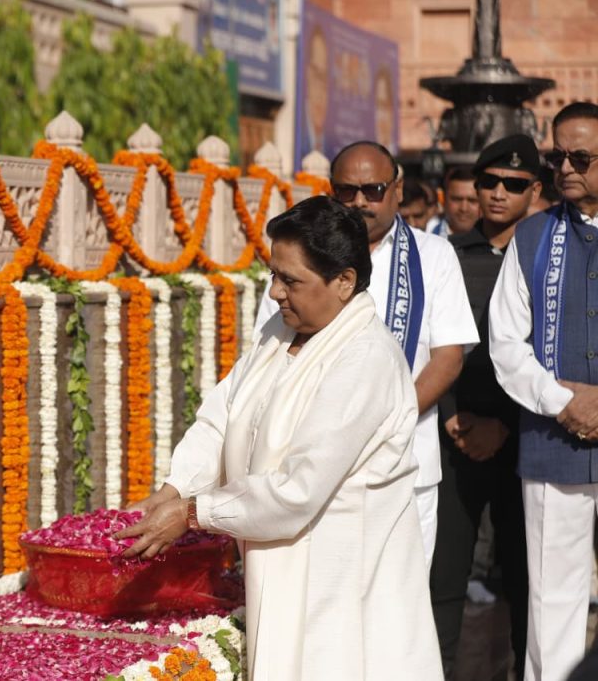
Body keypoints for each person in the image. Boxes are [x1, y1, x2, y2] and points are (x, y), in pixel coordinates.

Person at [118, 196, 443, 680]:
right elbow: (224, 415)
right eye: (274, 275)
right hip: (280, 565)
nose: (274, 293)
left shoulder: (365, 358)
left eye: (290, 281)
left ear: (344, 281)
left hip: (340, 586)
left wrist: (192, 514)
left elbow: (298, 490)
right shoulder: (280, 331)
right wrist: (176, 488)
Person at [253, 141, 479, 567]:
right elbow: (270, 348)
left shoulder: (434, 255)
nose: (359, 201)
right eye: (346, 190)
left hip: (405, 460)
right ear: (330, 190)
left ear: (397, 189)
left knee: (400, 595)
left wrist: (380, 422)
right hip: (311, 464)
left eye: (373, 190)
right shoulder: (301, 259)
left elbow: (448, 358)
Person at [490, 101, 598, 681]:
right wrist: (565, 403)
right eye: (557, 157)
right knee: (552, 604)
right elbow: (506, 344)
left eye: (580, 157)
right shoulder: (532, 235)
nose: (565, 168)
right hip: (554, 445)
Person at [429, 134, 537, 680]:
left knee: (526, 581)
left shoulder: (546, 258)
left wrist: (507, 428)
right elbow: (429, 342)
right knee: (444, 579)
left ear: (534, 190)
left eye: (513, 184)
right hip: (456, 433)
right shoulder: (446, 255)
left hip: (528, 437)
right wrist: (450, 413)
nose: (498, 193)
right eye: (489, 181)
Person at [302, 25, 329, 155]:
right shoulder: (301, 132)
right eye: (316, 75)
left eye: (324, 78)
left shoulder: (326, 144)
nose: (321, 92)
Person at [433, 167, 480, 237]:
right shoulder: (423, 240)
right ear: (444, 200)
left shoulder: (494, 241)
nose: (464, 208)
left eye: (472, 200)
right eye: (457, 199)